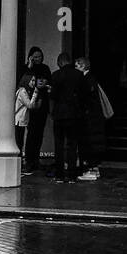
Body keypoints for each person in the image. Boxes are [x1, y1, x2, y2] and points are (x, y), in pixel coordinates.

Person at [49, 52, 86, 183]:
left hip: (59, 113)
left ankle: (59, 174)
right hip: (74, 114)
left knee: (58, 144)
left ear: (59, 62)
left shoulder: (55, 75)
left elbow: (52, 95)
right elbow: (83, 95)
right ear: (69, 61)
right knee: (72, 144)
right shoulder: (78, 75)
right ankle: (71, 174)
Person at [75, 55, 107, 181]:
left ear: (82, 66)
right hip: (95, 118)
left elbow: (84, 100)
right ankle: (95, 169)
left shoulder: (85, 80)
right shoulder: (92, 79)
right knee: (94, 143)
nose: (75, 68)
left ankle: (91, 170)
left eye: (77, 65)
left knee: (89, 143)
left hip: (89, 119)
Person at [21, 46, 52, 174]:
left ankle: (36, 159)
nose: (38, 59)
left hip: (42, 102)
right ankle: (29, 160)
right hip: (30, 102)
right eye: (35, 57)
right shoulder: (27, 68)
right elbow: (23, 80)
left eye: (40, 56)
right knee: (31, 133)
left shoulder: (45, 68)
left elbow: (48, 81)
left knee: (39, 133)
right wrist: (29, 65)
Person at [15, 74, 41, 155]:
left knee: (20, 141)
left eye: (34, 81)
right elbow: (30, 105)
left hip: (21, 119)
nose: (33, 83)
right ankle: (19, 159)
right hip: (20, 120)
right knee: (19, 141)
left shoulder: (24, 90)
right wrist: (35, 93)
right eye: (32, 80)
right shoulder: (23, 91)